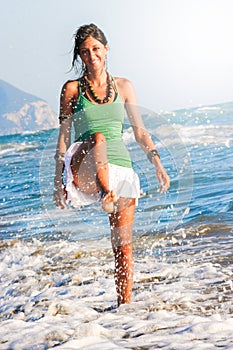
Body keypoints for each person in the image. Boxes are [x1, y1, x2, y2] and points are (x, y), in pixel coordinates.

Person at [53, 23, 170, 306]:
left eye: (95, 48)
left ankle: (124, 308)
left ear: (106, 49)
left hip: (121, 171)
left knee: (123, 247)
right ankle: (106, 192)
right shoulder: (71, 90)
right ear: (80, 56)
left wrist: (156, 162)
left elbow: (140, 132)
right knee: (98, 136)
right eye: (84, 51)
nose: (91, 55)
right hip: (84, 164)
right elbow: (63, 139)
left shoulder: (125, 86)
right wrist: (58, 183)